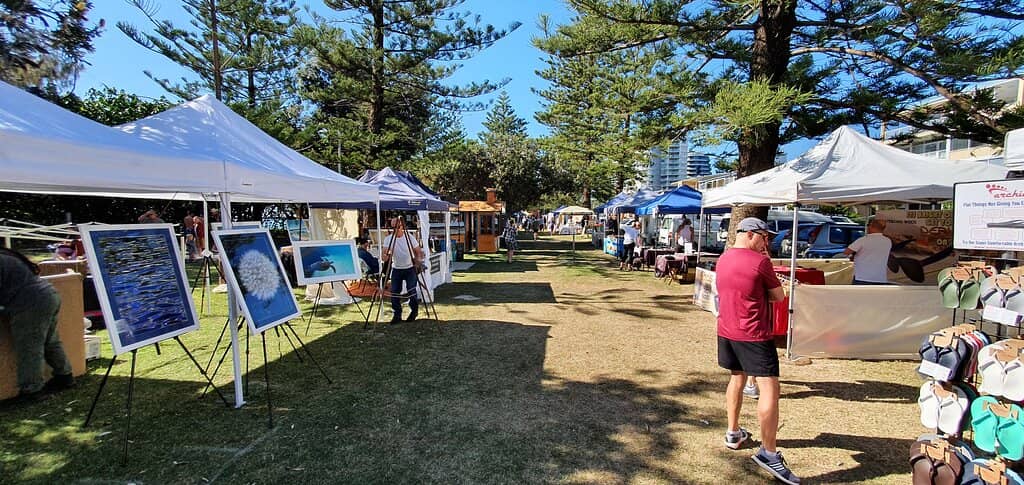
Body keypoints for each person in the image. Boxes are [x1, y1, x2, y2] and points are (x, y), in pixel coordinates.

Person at [715, 217, 798, 484]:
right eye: (764, 237)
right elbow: (778, 296)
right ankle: (769, 452)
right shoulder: (760, 262)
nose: (766, 242)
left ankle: (733, 431)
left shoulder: (723, 258)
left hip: (727, 329)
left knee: (736, 378)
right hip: (753, 333)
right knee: (770, 388)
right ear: (751, 234)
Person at [0, 248, 74, 405]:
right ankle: (65, 376)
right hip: (48, 294)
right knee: (51, 341)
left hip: (29, 303)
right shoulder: (7, 255)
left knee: (29, 347)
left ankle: (32, 390)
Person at [381, 217, 424, 323]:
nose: (396, 229)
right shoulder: (389, 239)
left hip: (410, 268)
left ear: (402, 226)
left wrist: (418, 259)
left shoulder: (410, 238)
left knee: (411, 290)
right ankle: (397, 315)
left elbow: (418, 251)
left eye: (398, 226)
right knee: (395, 292)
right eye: (393, 227)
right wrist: (385, 256)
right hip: (396, 268)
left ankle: (414, 311)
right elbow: (384, 256)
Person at [843, 216, 892, 285]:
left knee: (859, 296)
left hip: (862, 277)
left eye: (868, 225)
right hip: (880, 278)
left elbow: (846, 252)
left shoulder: (863, 240)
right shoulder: (888, 241)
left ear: (871, 226)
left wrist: (854, 255)